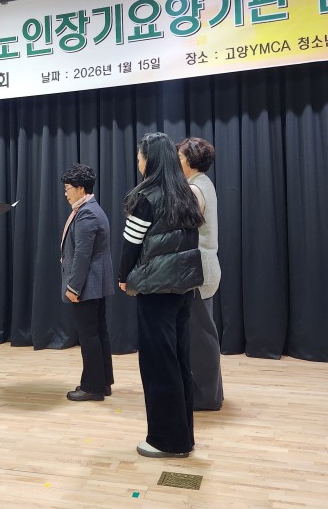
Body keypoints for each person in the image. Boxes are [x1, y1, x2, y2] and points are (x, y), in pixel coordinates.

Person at [117, 133, 204, 458]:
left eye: (140, 156)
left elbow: (131, 243)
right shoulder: (186, 194)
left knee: (158, 364)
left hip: (155, 288)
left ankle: (165, 440)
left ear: (149, 160)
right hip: (183, 288)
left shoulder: (146, 197)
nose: (138, 161)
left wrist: (123, 277)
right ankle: (183, 437)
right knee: (179, 360)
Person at [60, 163, 115, 402]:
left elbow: (82, 255)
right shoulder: (90, 209)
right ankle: (103, 382)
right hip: (95, 284)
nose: (66, 193)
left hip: (87, 285)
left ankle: (92, 387)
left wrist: (73, 287)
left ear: (81, 189)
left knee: (89, 336)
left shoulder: (87, 213)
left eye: (68, 188)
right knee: (98, 333)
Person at [177, 137, 224, 411]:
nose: (177, 161)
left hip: (199, 270)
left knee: (201, 336)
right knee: (203, 332)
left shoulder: (194, 189)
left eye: (180, 157)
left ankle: (206, 397)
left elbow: (182, 228)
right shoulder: (203, 183)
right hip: (204, 268)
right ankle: (210, 393)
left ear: (190, 160)